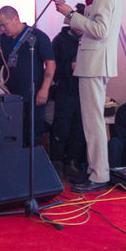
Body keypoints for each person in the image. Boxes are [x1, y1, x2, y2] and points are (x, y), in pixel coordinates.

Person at [52, 0, 123, 193]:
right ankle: (96, 171)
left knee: (93, 122)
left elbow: (101, 30)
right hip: (94, 61)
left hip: (95, 62)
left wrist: (71, 14)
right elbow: (96, 27)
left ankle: (99, 174)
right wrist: (73, 17)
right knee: (92, 121)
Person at [0, 5, 54, 150]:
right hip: (10, 96)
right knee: (13, 134)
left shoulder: (37, 37)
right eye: (0, 26)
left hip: (34, 94)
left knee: (33, 134)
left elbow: (50, 64)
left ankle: (34, 160)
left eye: (4, 24)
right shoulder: (2, 40)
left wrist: (45, 89)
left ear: (15, 19)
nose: (2, 29)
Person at [49, 9, 85, 181]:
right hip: (65, 90)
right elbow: (51, 68)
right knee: (61, 128)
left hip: (84, 91)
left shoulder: (89, 39)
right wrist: (68, 68)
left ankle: (72, 162)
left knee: (78, 129)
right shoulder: (59, 41)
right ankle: (56, 163)